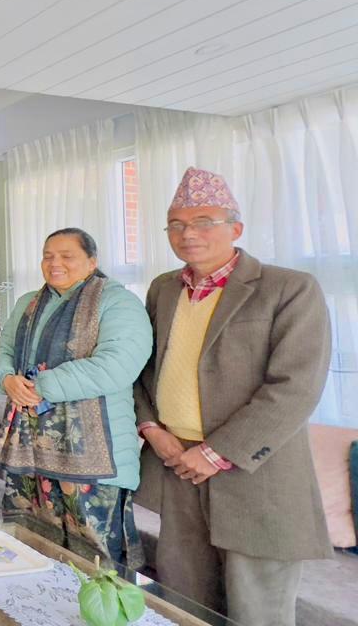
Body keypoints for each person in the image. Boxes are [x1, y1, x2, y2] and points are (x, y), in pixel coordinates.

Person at [135, 167, 332, 626]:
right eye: (177, 225)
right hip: (177, 467)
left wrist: (216, 451)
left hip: (255, 474)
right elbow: (145, 369)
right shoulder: (164, 288)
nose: (188, 234)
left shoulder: (289, 287)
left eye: (203, 222)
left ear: (236, 228)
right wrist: (152, 429)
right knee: (184, 602)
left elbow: (296, 387)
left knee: (256, 610)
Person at [0, 228, 151, 568]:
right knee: (31, 547)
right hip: (31, 450)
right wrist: (6, 379)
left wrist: (40, 386)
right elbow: (4, 350)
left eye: (67, 256)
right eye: (48, 256)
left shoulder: (117, 301)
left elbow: (117, 365)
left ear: (92, 261)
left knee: (95, 561)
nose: (55, 263)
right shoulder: (28, 303)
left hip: (94, 457)